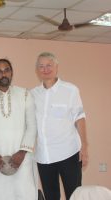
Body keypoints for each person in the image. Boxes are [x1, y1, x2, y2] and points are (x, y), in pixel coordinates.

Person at [31, 52, 89, 200]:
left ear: (56, 67)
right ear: (37, 70)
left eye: (49, 65)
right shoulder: (33, 94)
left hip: (68, 153)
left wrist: (85, 147)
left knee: (74, 195)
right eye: (41, 66)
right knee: (51, 196)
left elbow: (80, 118)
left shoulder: (70, 90)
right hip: (44, 156)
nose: (45, 69)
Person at [0, 58, 38, 200]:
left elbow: (32, 125)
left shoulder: (25, 94)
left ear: (11, 73)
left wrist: (22, 152)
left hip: (22, 159)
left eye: (6, 70)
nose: (3, 74)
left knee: (24, 194)